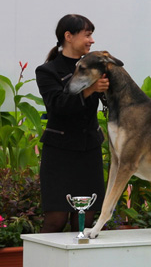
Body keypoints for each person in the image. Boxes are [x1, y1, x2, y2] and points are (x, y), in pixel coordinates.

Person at [35, 14, 108, 233]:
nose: (91, 40)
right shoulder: (47, 71)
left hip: (89, 151)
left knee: (84, 222)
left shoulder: (96, 65)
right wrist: (90, 90)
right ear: (68, 36)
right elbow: (57, 106)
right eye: (87, 35)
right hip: (60, 154)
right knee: (55, 220)